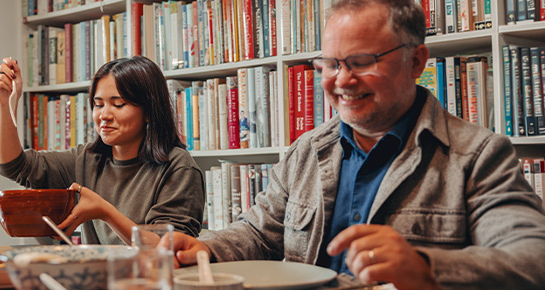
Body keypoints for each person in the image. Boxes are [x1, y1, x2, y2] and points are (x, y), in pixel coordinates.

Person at [170, 0, 545, 289]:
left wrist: (426, 269)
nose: (342, 80)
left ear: (416, 61)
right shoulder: (307, 150)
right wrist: (208, 247)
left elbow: (532, 259)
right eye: (331, 64)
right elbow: (258, 233)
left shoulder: (477, 156)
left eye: (362, 61)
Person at [0, 56, 205, 245]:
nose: (104, 115)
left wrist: (105, 212)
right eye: (98, 104)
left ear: (149, 111)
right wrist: (5, 103)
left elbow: (167, 248)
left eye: (118, 104)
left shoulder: (178, 168)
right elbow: (13, 165)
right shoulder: (87, 159)